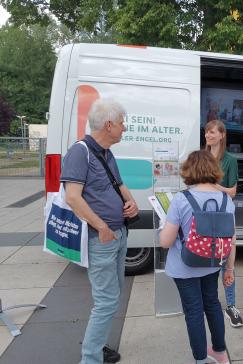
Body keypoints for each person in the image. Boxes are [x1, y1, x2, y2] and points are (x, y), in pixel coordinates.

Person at [62, 99, 139, 364]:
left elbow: (118, 183)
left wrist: (130, 202)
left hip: (118, 234)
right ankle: (90, 358)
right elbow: (72, 197)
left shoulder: (107, 152)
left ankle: (99, 346)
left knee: (112, 296)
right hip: (102, 238)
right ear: (108, 125)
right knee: (106, 301)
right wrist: (102, 227)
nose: (124, 128)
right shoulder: (79, 152)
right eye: (121, 124)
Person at [159, 150, 236, 364]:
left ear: (189, 171)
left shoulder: (181, 200)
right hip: (212, 264)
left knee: (194, 312)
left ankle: (200, 359)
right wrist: (229, 269)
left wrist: (161, 228)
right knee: (212, 303)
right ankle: (220, 353)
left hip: (185, 267)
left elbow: (165, 241)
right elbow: (232, 238)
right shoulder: (226, 200)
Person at [204, 119, 243, 328]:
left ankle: (231, 306)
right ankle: (209, 304)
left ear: (221, 135)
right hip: (203, 214)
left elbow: (233, 192)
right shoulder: (200, 157)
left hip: (224, 213)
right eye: (206, 132)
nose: (208, 135)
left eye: (212, 132)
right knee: (205, 258)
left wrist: (212, 185)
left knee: (227, 257)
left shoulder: (230, 160)